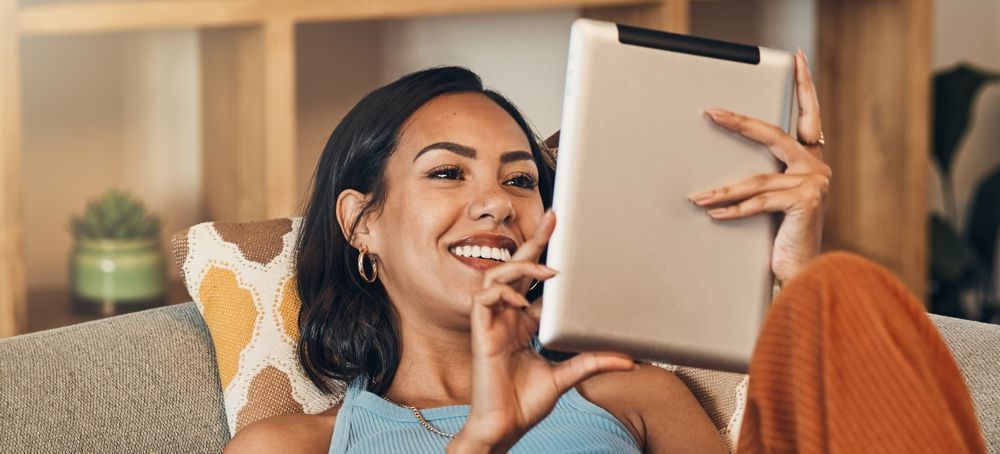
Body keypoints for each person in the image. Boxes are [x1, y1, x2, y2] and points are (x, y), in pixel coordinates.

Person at [224, 50, 986, 453]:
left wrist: (793, 280)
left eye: (520, 180)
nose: (495, 202)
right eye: (449, 172)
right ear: (362, 223)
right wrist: (483, 440)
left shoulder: (631, 397)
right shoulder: (290, 447)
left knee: (843, 290)